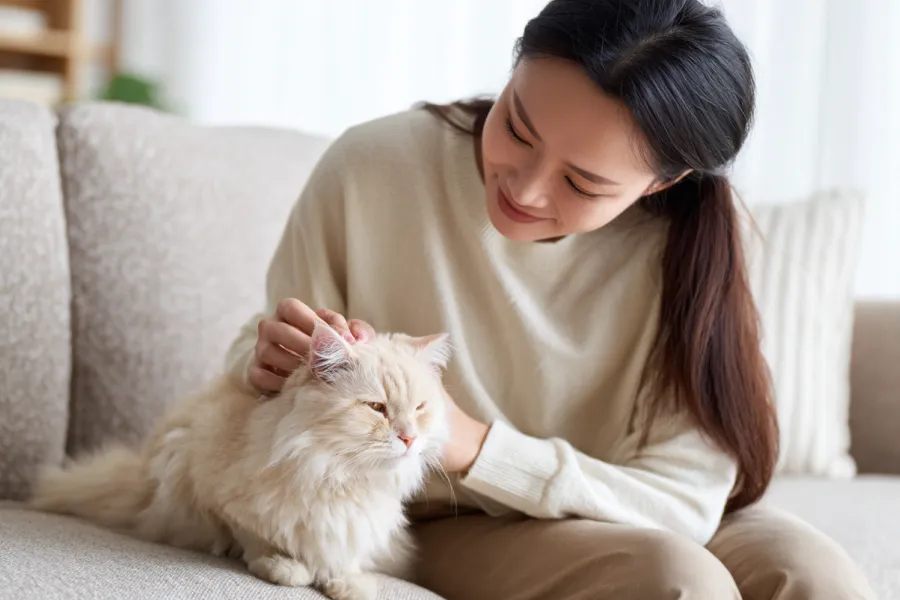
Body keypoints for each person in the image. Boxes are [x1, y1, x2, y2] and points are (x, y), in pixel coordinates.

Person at [224, 0, 875, 598]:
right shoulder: (373, 168)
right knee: (677, 584)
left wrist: (474, 443)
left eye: (581, 181)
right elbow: (265, 396)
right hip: (439, 511)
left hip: (619, 500)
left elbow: (683, 500)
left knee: (818, 582)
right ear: (512, 69)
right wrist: (264, 362)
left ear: (663, 181)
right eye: (518, 126)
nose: (526, 189)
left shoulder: (694, 247)